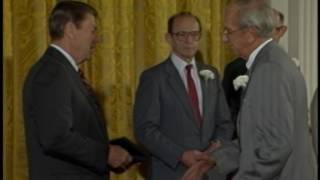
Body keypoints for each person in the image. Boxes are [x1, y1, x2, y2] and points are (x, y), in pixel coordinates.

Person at [182, 0, 317, 180]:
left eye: (228, 31)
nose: (224, 39)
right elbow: (256, 138)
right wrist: (215, 160)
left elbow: (274, 147)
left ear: (250, 33)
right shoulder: (272, 59)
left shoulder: (269, 68)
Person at [23, 1, 131, 180]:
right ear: (71, 30)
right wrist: (106, 154)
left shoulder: (62, 70)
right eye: (93, 30)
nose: (97, 38)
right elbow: (57, 137)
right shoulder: (51, 72)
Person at [133, 12, 234, 180]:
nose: (189, 41)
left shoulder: (211, 74)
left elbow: (224, 122)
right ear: (169, 38)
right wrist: (181, 154)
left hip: (210, 170)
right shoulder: (154, 77)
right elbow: (145, 129)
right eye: (181, 35)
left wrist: (215, 148)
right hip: (172, 171)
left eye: (194, 34)